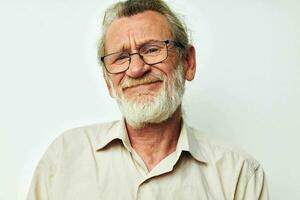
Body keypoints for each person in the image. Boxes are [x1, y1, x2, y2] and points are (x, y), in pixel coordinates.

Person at [27, 0, 269, 199]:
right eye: (121, 57)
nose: (135, 69)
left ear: (188, 63)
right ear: (107, 80)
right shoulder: (64, 158)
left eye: (152, 49)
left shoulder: (239, 174)